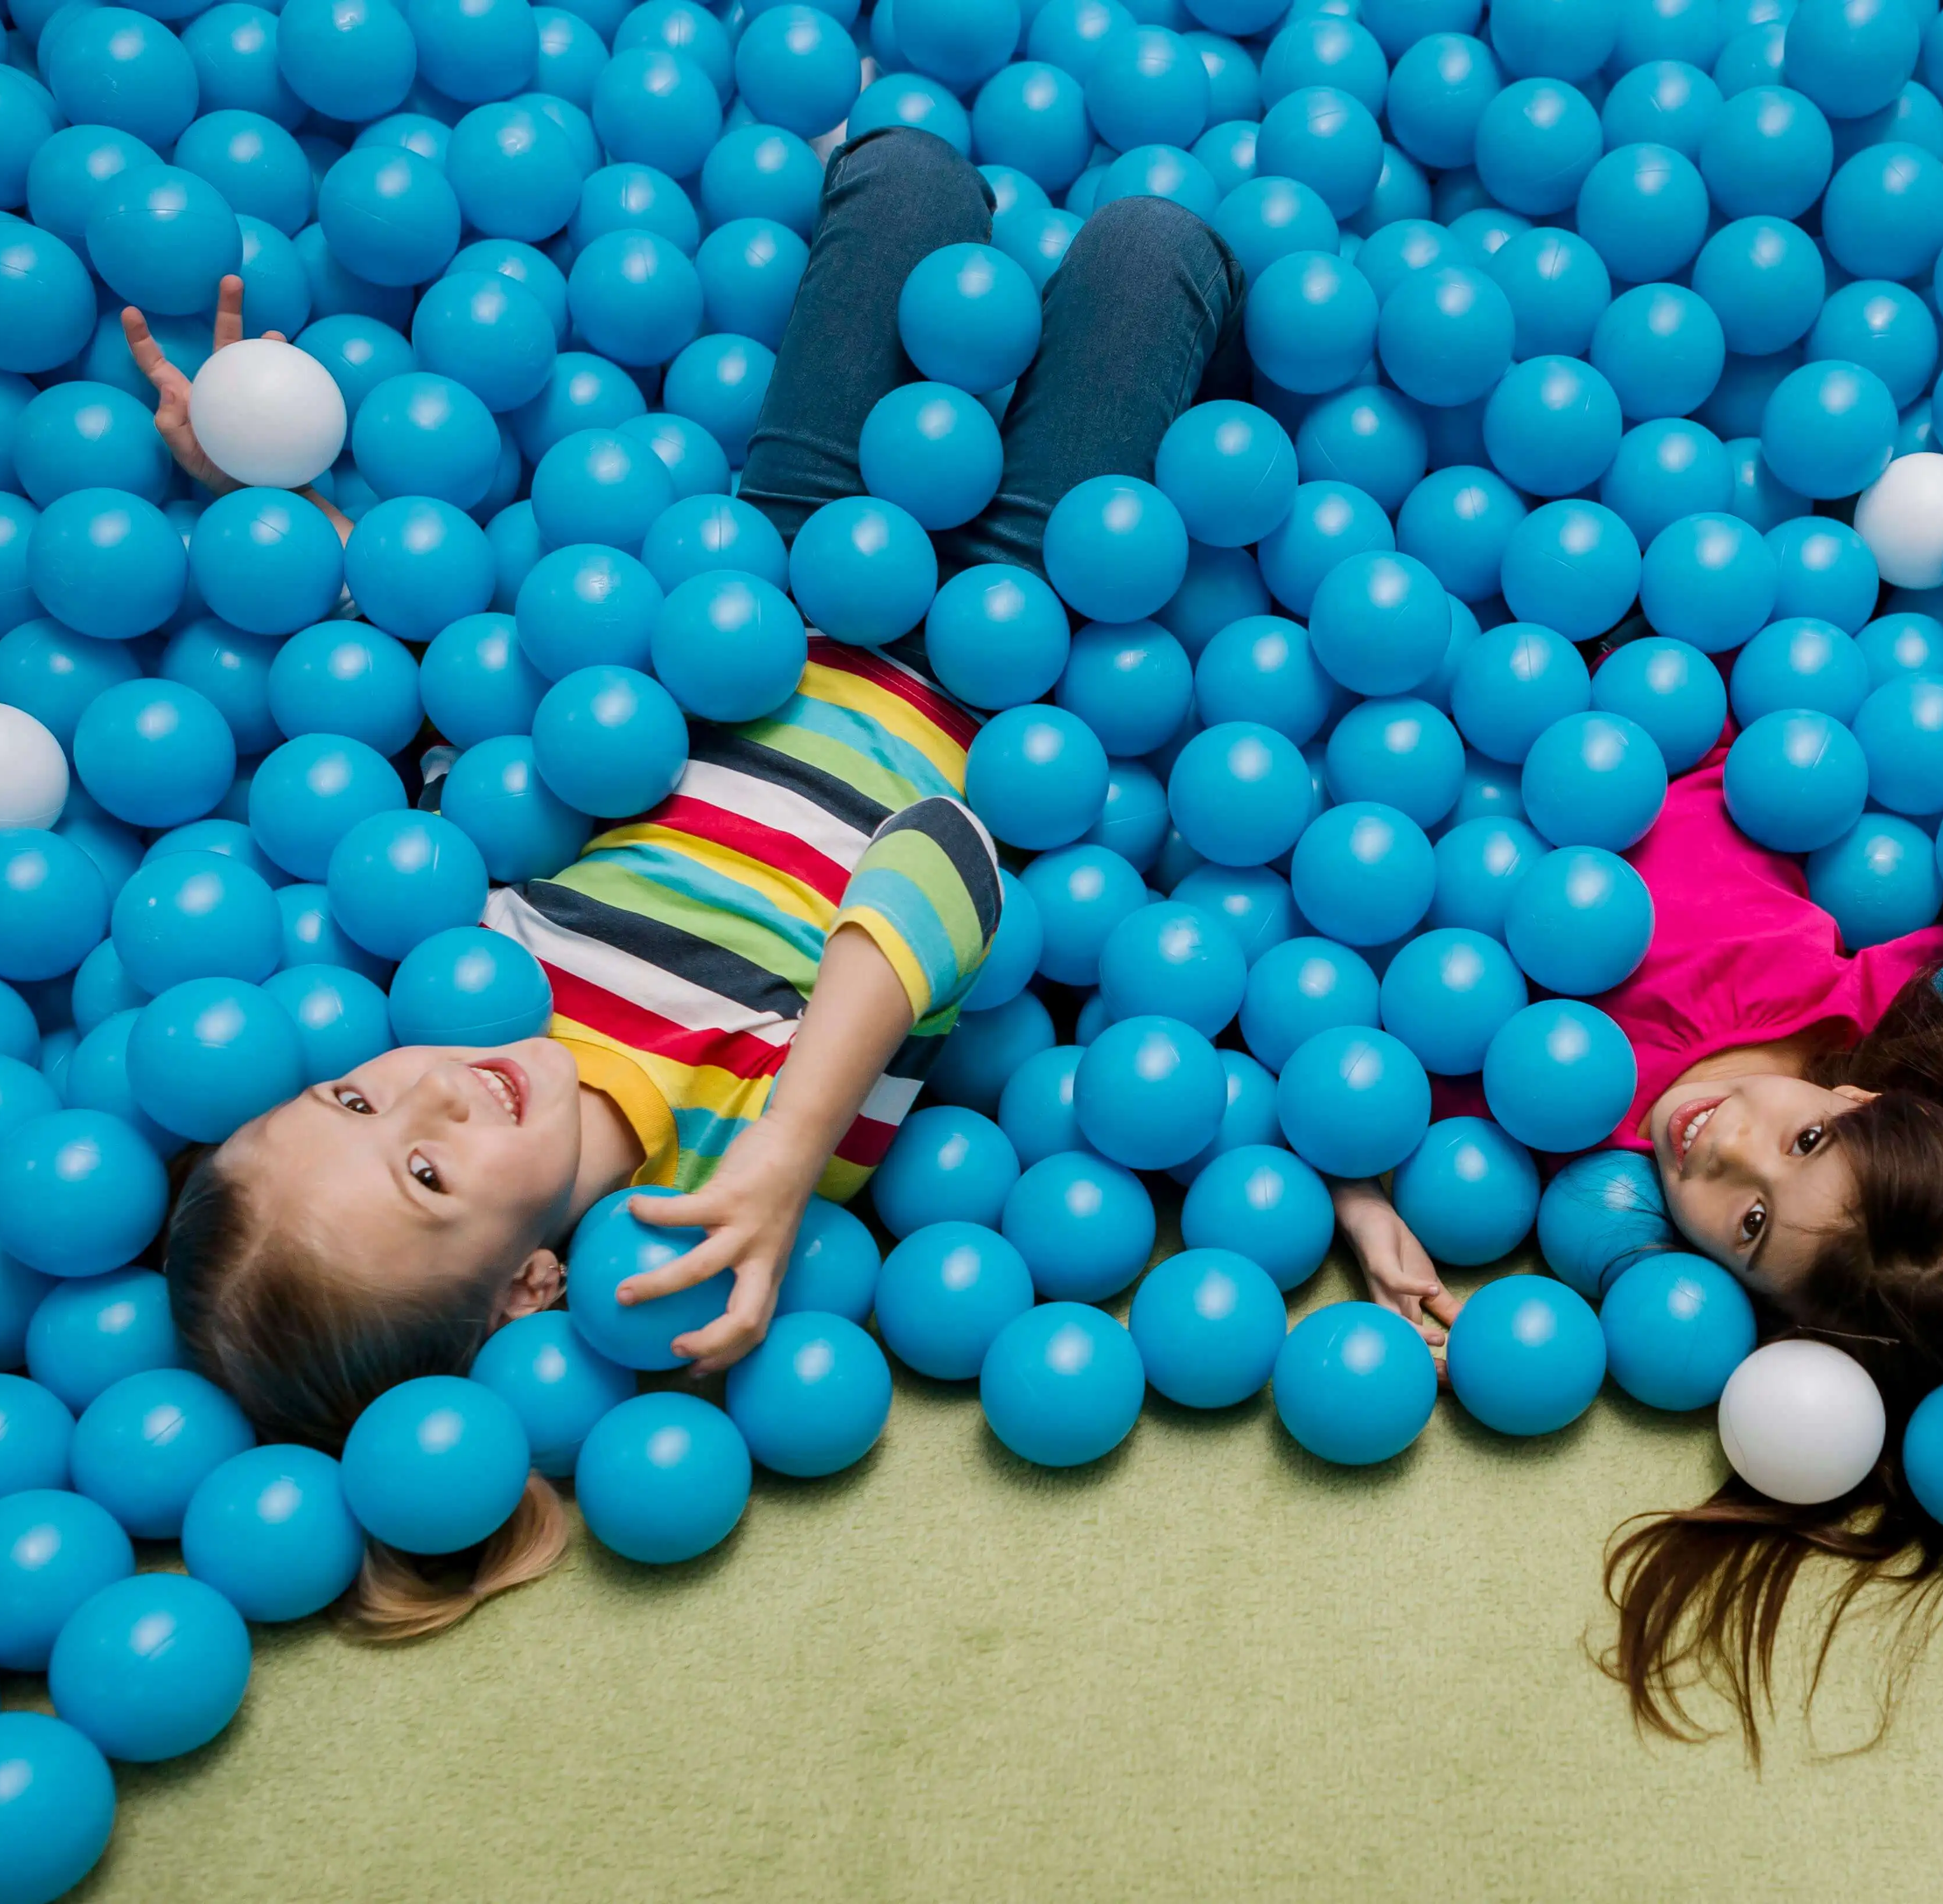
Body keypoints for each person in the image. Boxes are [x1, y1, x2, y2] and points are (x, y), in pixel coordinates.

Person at [152, 128, 1248, 1639]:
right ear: (529, 1290)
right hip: (1014, 639)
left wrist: (264, 498)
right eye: (425, 1178)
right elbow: (947, 854)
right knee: (1150, 245)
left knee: (910, 180)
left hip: (785, 572)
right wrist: (794, 1149)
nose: (433, 1095)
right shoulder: (724, 1178)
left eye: (353, 1099)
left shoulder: (481, 963)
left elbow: (446, 705)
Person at [1328, 730, 1943, 1755]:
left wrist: (1360, 1205)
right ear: (1861, 1099)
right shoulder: (1864, 996)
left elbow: (1350, 1079)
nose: (1726, 1147)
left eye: (1752, 1225)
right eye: (1808, 1140)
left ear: (1749, 1301)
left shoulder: (1547, 1135)